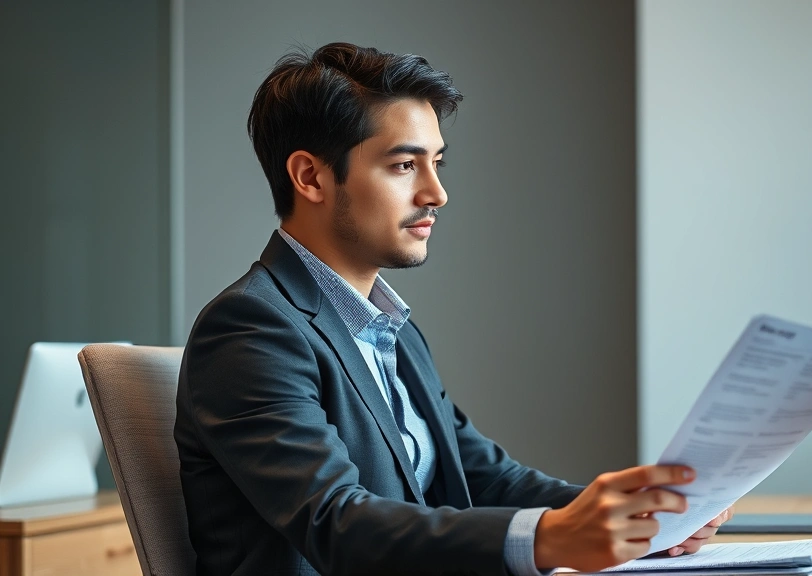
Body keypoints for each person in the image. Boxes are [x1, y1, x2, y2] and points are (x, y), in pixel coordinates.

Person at [174, 42, 732, 576]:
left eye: (437, 162)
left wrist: (643, 517)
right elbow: (336, 524)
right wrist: (551, 537)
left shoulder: (390, 328)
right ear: (310, 176)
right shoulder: (252, 328)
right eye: (403, 166)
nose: (436, 193)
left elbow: (480, 475)